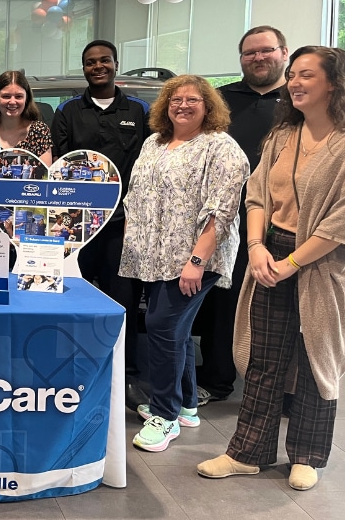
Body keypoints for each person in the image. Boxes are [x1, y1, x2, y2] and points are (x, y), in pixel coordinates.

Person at [198, 46, 345, 491]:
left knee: (315, 358)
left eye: (306, 74)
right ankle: (247, 452)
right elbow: (257, 195)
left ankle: (306, 454)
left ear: (335, 82)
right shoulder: (282, 135)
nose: (295, 82)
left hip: (324, 262)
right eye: (293, 75)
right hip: (269, 253)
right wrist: (256, 246)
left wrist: (291, 263)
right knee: (264, 358)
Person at [118, 75, 248, 453]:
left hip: (194, 258)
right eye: (175, 99)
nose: (183, 105)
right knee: (175, 330)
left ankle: (165, 415)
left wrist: (196, 261)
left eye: (193, 99)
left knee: (162, 325)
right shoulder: (154, 143)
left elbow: (221, 212)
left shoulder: (221, 148)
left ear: (208, 106)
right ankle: (188, 405)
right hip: (155, 255)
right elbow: (138, 196)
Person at [51, 39, 151, 410]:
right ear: (84, 68)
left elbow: (147, 167)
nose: (98, 67)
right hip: (76, 225)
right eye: (90, 62)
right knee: (71, 295)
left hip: (122, 226)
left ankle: (125, 378)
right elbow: (60, 165)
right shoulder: (67, 110)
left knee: (122, 302)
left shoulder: (140, 111)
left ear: (115, 64)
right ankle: (70, 372)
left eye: (104, 60)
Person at [195, 26, 289, 406]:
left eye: (266, 51)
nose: (258, 58)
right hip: (228, 216)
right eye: (250, 53)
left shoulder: (298, 98)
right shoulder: (221, 99)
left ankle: (283, 390)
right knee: (225, 301)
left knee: (279, 307)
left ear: (283, 52)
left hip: (285, 218)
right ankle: (217, 380)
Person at [0, 70, 52, 166]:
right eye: (6, 96)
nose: (12, 102)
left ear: (27, 98)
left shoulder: (39, 131)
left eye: (18, 96)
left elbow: (45, 176)